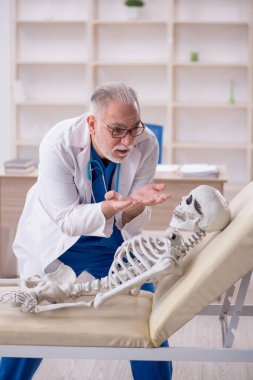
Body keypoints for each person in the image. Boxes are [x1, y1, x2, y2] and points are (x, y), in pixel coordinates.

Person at [0, 82, 172, 380]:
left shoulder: (147, 144)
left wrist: (132, 205)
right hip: (61, 242)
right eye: (117, 129)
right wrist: (114, 206)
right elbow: (66, 219)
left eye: (135, 128)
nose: (128, 141)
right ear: (92, 123)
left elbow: (129, 217)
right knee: (32, 325)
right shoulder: (58, 143)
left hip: (114, 244)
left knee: (147, 319)